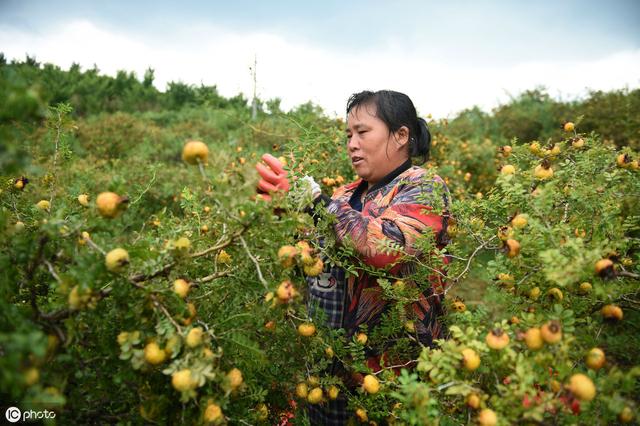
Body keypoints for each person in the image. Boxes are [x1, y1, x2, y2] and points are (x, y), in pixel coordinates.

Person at [256, 90, 451, 425]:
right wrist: (280, 214)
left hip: (391, 374)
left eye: (363, 132)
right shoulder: (345, 194)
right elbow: (315, 256)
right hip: (329, 373)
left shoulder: (423, 187)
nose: (352, 143)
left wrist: (318, 205)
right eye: (348, 134)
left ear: (401, 135)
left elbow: (385, 249)